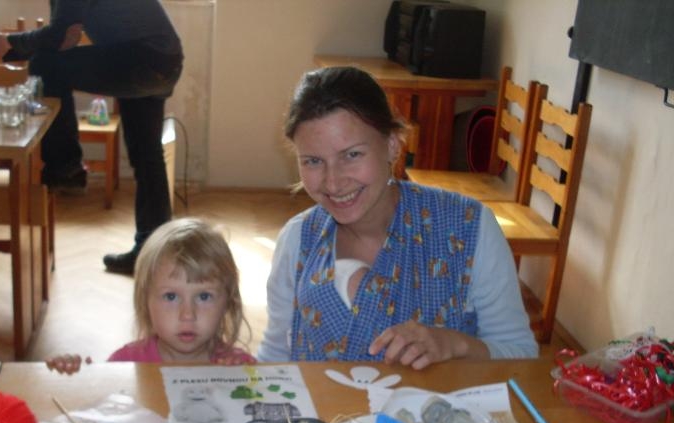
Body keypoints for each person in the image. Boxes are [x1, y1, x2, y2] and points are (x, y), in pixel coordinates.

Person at [257, 66, 538, 370]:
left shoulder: (469, 229)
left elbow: (521, 355)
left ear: (392, 144)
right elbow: (275, 354)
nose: (333, 183)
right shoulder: (298, 240)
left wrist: (454, 344)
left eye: (352, 155)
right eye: (313, 161)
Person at [0, 0, 183, 275]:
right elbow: (65, 39)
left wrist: (7, 43)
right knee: (147, 157)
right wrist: (6, 48)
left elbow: (58, 39)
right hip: (163, 59)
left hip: (142, 58)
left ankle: (66, 166)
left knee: (45, 64)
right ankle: (155, 255)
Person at [47, 217, 256, 373]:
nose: (188, 314)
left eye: (204, 297)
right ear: (145, 301)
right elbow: (98, 410)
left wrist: (246, 385)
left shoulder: (241, 368)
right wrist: (76, 378)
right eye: (171, 296)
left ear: (228, 302)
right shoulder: (125, 365)